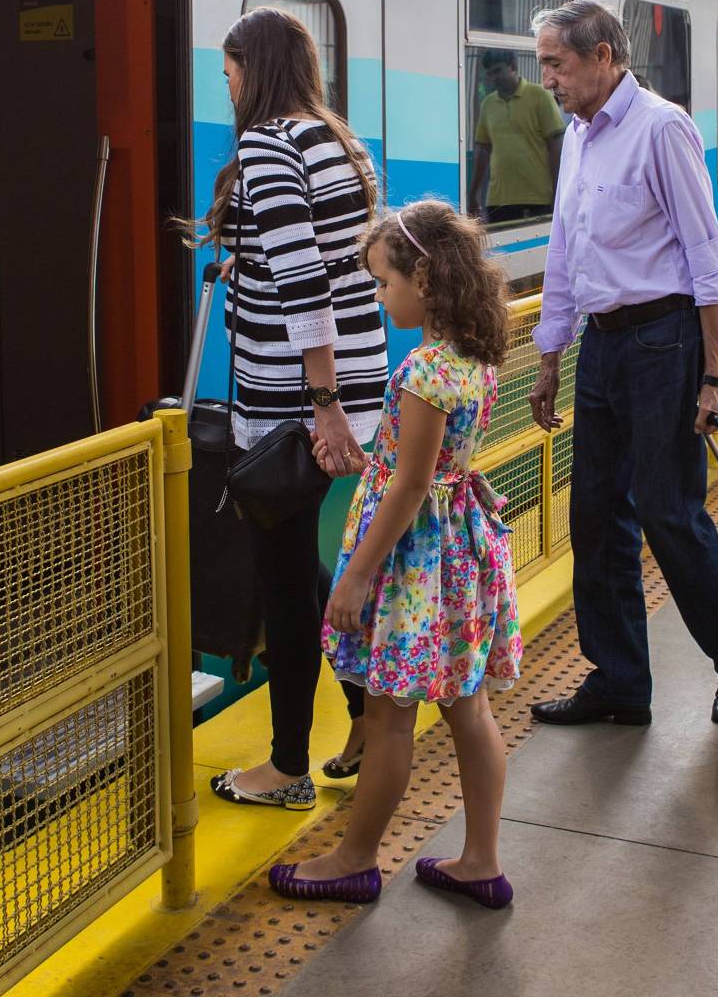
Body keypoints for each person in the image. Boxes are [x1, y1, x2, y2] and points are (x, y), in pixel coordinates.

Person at [525, 0, 718, 728]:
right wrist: (549, 359)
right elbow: (565, 252)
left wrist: (714, 374)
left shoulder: (662, 128)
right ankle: (621, 681)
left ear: (603, 55)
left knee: (669, 515)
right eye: (543, 64)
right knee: (595, 518)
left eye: (556, 64)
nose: (548, 79)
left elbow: (706, 255)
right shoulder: (576, 136)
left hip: (666, 342)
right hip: (603, 344)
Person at [274, 200, 522, 907]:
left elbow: (411, 485)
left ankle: (355, 858)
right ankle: (482, 861)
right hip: (458, 553)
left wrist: (353, 579)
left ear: (427, 281)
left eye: (385, 284)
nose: (381, 299)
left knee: (386, 714)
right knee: (466, 710)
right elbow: (427, 467)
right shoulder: (472, 358)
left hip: (413, 563)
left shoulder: (424, 372)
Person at [194, 8, 386, 810]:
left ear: (254, 66)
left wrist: (321, 404)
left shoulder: (269, 146)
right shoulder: (333, 139)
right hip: (345, 386)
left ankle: (286, 768)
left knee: (283, 585)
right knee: (298, 567)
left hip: (292, 404)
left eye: (229, 66)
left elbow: (306, 285)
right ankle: (370, 709)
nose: (225, 80)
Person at [470, 52, 565, 224]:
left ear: (513, 66)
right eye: (490, 74)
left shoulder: (540, 96)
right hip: (498, 199)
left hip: (536, 197)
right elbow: (483, 149)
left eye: (498, 71)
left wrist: (558, 191)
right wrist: (473, 194)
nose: (493, 78)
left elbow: (556, 146)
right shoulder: (488, 105)